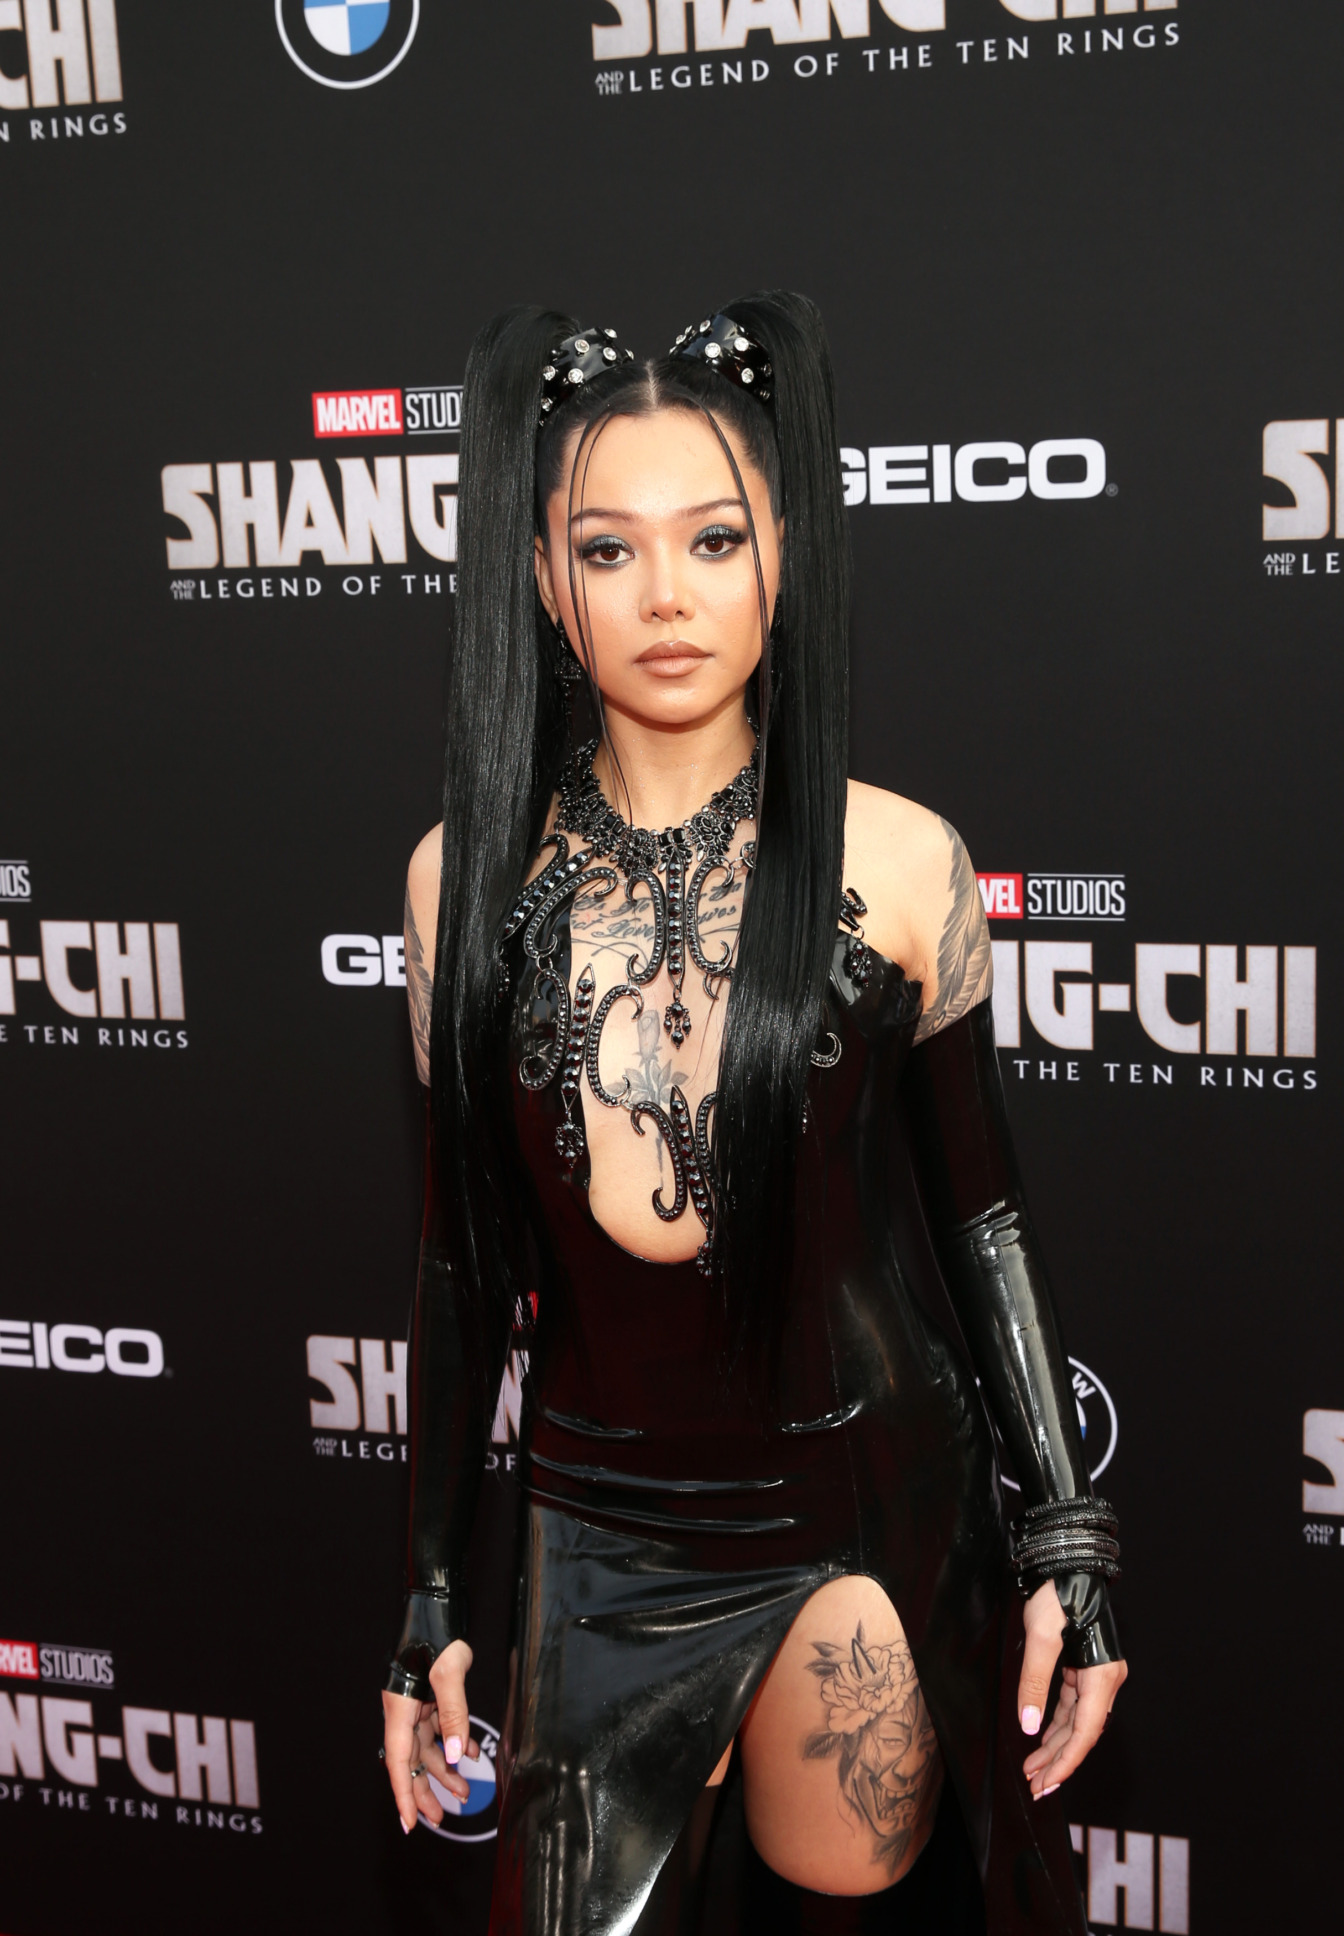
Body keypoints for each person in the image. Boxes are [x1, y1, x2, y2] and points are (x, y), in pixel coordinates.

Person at [379, 296, 1127, 1934]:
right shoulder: (459, 886)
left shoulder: (902, 861)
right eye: (609, 547)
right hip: (597, 1525)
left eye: (714, 538)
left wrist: (1068, 1538)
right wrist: (429, 1587)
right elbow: (456, 1271)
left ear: (783, 555)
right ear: (543, 576)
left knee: (847, 1909)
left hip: (858, 1503)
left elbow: (982, 1218)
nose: (666, 593)